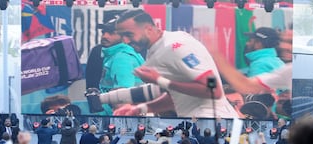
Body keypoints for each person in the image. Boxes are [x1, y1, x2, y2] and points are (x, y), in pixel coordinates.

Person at [91, 9, 238, 118]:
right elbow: (174, 95)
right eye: (123, 36)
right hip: (195, 122)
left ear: (148, 29)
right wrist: (141, 109)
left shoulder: (177, 47)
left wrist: (160, 80)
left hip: (213, 124)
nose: (126, 41)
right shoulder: (158, 48)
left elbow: (213, 89)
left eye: (129, 35)